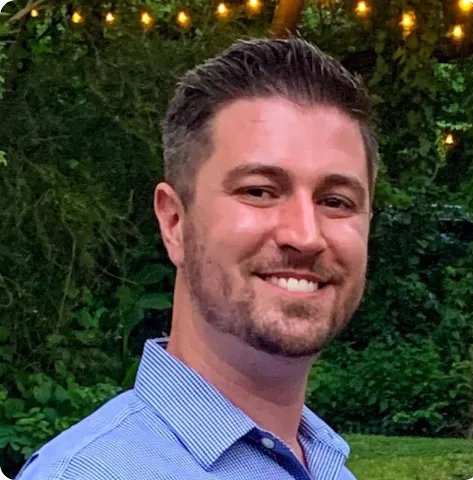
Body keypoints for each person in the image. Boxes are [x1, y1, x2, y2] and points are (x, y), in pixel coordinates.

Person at [16, 37, 378, 480]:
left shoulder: (328, 466)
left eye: (336, 201)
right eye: (259, 191)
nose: (305, 236)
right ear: (174, 222)